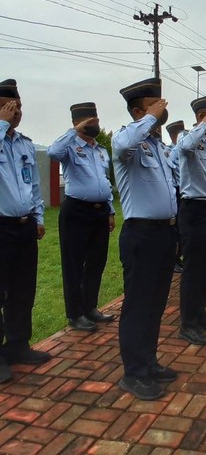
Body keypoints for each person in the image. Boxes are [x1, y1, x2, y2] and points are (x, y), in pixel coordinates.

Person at [112, 77, 178, 400]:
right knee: (138, 304)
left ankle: (149, 361)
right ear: (139, 110)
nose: (163, 108)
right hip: (140, 234)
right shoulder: (127, 141)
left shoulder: (157, 146)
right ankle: (133, 373)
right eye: (155, 103)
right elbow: (124, 145)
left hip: (165, 233)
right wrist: (150, 117)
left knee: (156, 303)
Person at [47, 102, 115, 334]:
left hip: (100, 211)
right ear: (79, 123)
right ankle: (75, 314)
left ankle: (90, 307)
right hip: (76, 211)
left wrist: (110, 210)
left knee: (97, 262)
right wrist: (74, 131)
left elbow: (104, 181)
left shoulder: (100, 150)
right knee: (74, 265)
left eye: (96, 119)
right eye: (90, 121)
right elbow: (52, 153)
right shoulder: (69, 146)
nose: (95, 123)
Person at [0, 79, 50, 384]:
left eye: (18, 106)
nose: (15, 111)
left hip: (24, 226)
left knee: (22, 290)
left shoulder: (24, 144)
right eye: (8, 106)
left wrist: (39, 216)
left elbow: (33, 185)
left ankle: (18, 345)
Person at [175, 95, 206, 346]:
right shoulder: (188, 138)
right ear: (200, 116)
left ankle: (200, 313)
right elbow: (183, 147)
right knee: (192, 269)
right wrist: (203, 124)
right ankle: (187, 323)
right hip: (192, 210)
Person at [166, 120, 185, 273]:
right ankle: (174, 260)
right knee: (176, 228)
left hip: (185, 191)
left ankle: (181, 256)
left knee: (183, 227)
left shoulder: (184, 148)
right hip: (176, 190)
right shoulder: (169, 151)